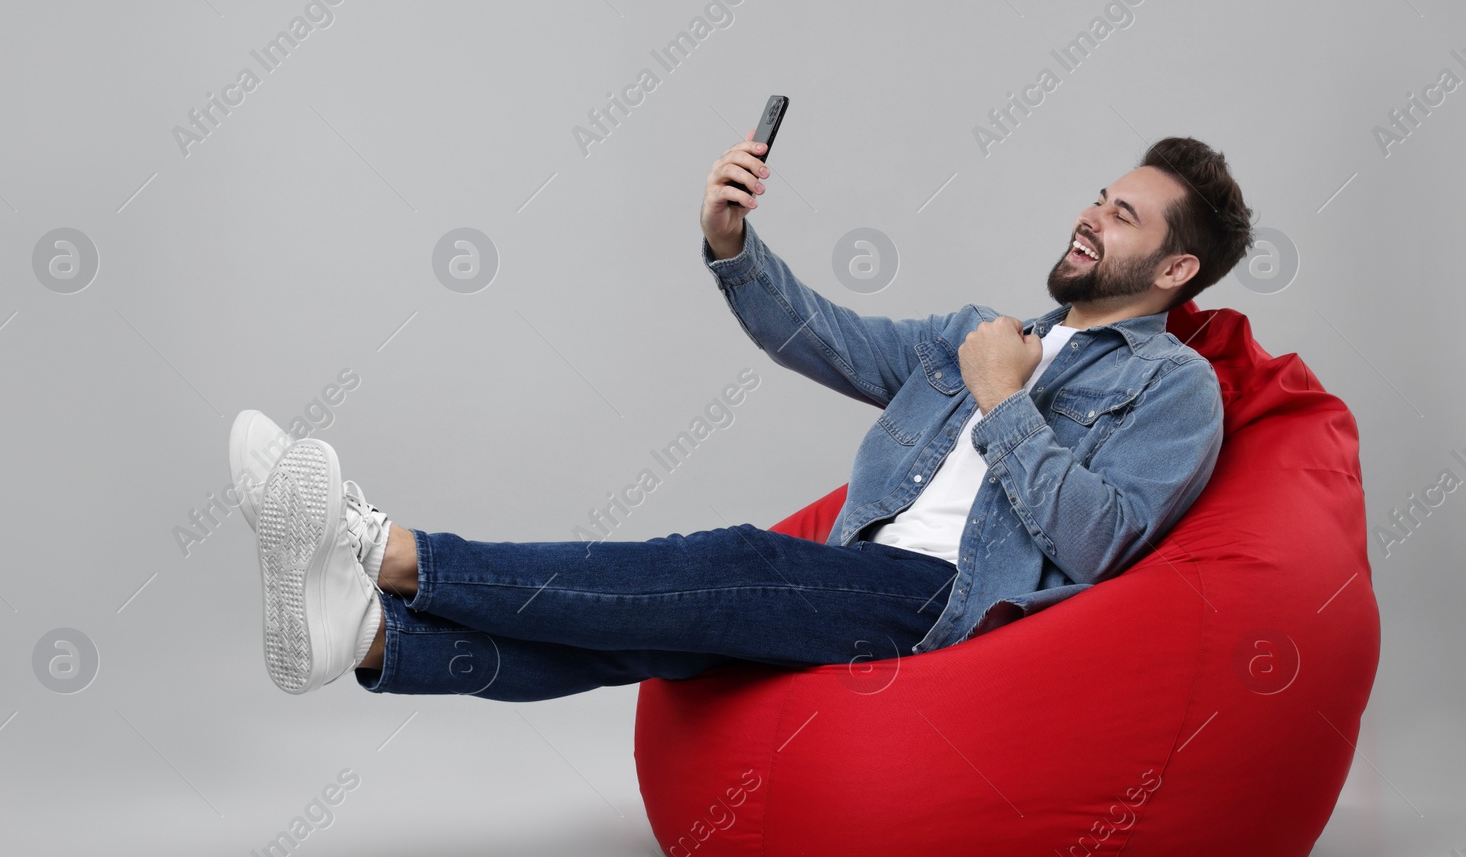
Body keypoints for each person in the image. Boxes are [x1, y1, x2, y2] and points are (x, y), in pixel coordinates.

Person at [234, 133, 1251, 700]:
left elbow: (1102, 538)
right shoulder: (990, 331)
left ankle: (384, 550)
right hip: (874, 568)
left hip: (944, 605)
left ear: (1173, 268)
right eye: (1097, 193)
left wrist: (1002, 398)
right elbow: (824, 336)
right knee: (657, 641)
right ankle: (366, 639)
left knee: (726, 557)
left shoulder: (1174, 389)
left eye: (1122, 214)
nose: (1088, 213)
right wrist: (732, 243)